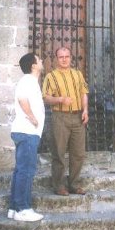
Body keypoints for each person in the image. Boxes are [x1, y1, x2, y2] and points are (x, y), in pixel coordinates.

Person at [42, 46, 89, 196]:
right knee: (59, 153)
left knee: (78, 153)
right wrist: (60, 99)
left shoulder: (78, 74)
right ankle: (59, 186)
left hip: (77, 116)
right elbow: (46, 97)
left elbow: (84, 93)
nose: (64, 59)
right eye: (61, 57)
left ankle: (74, 185)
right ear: (56, 59)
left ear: (71, 57)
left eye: (67, 56)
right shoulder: (51, 76)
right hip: (60, 117)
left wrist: (86, 110)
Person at [8, 53, 45, 222]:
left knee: (20, 170)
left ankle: (14, 209)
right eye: (39, 60)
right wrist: (32, 117)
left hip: (26, 132)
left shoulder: (30, 81)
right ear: (33, 65)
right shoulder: (28, 80)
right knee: (26, 170)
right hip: (27, 131)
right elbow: (22, 99)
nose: (42, 61)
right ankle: (23, 208)